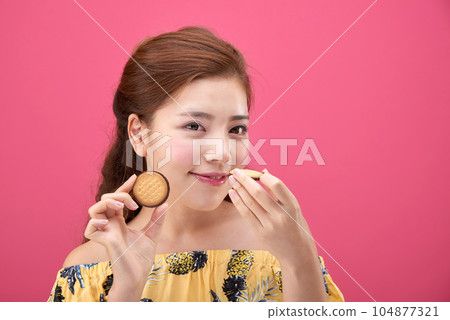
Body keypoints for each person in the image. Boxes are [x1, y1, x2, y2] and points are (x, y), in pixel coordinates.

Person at [47, 26, 345, 302]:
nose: (222, 153)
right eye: (193, 126)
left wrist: (300, 260)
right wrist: (126, 286)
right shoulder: (89, 267)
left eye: (236, 129)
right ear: (139, 133)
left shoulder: (278, 246)